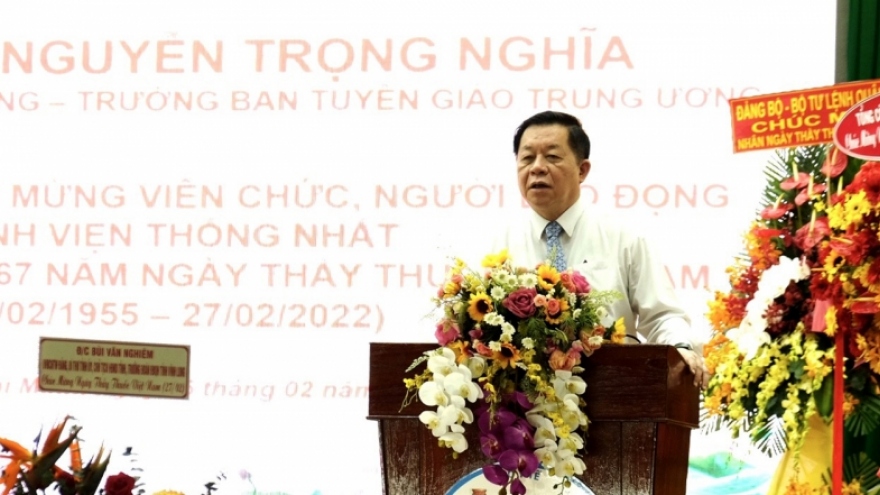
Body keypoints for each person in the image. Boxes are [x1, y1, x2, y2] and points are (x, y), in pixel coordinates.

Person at [492, 110, 709, 389]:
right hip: (523, 398)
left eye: (552, 157)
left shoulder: (624, 236)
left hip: (614, 391)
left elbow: (662, 316)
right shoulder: (498, 245)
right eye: (527, 158)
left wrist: (681, 348)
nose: (537, 167)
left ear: (582, 170)